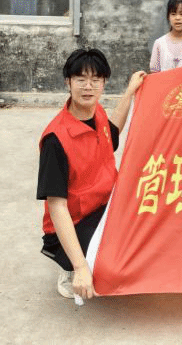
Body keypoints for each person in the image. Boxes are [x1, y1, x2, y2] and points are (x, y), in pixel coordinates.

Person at [37, 49, 146, 300]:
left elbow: (112, 134)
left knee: (146, 230)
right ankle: (69, 265)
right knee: (111, 269)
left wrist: (130, 92)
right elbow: (57, 206)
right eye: (81, 79)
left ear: (103, 83)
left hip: (106, 204)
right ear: (68, 82)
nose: (88, 86)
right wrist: (80, 267)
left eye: (96, 79)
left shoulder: (97, 113)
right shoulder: (56, 139)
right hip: (77, 221)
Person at [149, 0, 182, 73]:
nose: (178, 18)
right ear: (168, 17)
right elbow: (154, 73)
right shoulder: (159, 43)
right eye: (173, 14)